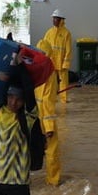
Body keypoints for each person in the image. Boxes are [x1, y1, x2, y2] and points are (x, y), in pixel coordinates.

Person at [35, 37, 62, 186]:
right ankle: (53, 181)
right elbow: (48, 100)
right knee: (52, 151)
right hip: (45, 117)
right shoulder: (50, 71)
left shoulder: (34, 67)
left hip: (33, 116)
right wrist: (50, 126)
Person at [41, 9, 72, 103]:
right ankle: (52, 97)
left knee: (63, 81)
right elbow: (44, 46)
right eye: (53, 18)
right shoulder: (49, 32)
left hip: (61, 62)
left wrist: (66, 63)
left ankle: (64, 98)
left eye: (56, 18)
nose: (54, 20)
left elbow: (68, 49)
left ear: (61, 20)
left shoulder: (66, 33)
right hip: (51, 61)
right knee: (51, 82)